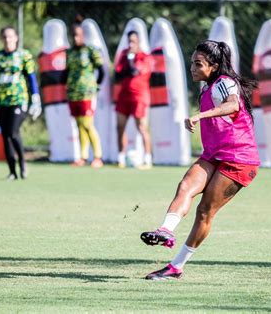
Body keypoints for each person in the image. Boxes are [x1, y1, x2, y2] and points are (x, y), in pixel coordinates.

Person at [140, 40, 260, 280]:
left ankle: (176, 267)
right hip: (215, 154)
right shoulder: (207, 87)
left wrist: (200, 115)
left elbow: (232, 104)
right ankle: (165, 230)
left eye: (198, 64)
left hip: (239, 159)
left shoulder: (224, 84)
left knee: (205, 211)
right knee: (185, 186)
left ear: (214, 66)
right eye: (192, 63)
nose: (192, 68)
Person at [0, 26, 42, 180]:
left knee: (13, 132)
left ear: (16, 38)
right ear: (2, 39)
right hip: (1, 102)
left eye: (10, 36)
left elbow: (31, 78)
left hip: (18, 101)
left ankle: (22, 163)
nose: (8, 40)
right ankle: (12, 172)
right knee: (5, 136)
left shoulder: (24, 56)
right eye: (5, 37)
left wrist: (36, 99)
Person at [66, 19, 105, 168]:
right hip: (73, 93)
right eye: (73, 35)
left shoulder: (90, 51)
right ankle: (83, 156)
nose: (76, 38)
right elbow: (66, 72)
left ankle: (98, 157)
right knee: (79, 125)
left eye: (78, 35)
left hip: (87, 93)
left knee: (88, 124)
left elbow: (101, 70)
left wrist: (96, 85)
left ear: (83, 36)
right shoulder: (69, 53)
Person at [114, 30, 153, 169]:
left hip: (139, 97)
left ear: (138, 42)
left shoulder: (145, 57)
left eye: (133, 42)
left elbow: (134, 71)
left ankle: (147, 160)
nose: (131, 44)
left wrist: (130, 58)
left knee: (142, 127)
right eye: (129, 41)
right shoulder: (123, 55)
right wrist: (127, 61)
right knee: (119, 127)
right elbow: (118, 75)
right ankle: (121, 159)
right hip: (124, 96)